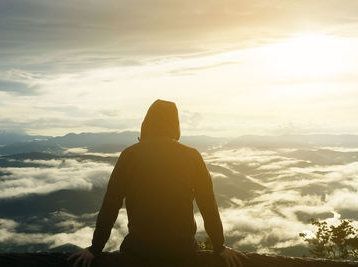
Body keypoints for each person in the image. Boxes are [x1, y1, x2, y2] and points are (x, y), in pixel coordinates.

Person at [68, 99, 246, 267]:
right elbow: (208, 204)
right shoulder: (192, 155)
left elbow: (111, 204)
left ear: (147, 123)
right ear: (175, 124)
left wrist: (95, 248)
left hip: (139, 250)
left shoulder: (129, 155)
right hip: (182, 251)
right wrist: (219, 245)